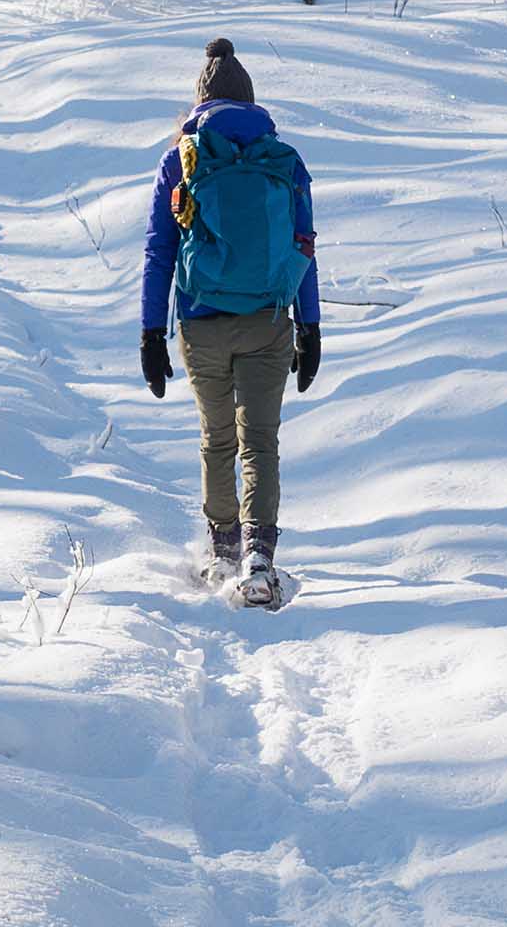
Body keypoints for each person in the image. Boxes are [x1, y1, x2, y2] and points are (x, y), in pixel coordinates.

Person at [139, 37, 322, 607]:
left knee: (218, 437)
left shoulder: (183, 157)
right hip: (270, 318)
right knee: (259, 441)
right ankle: (260, 557)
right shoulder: (283, 159)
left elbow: (158, 250)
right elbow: (305, 246)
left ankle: (221, 552)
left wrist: (151, 332)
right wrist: (310, 327)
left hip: (201, 321)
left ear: (199, 101)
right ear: (250, 101)